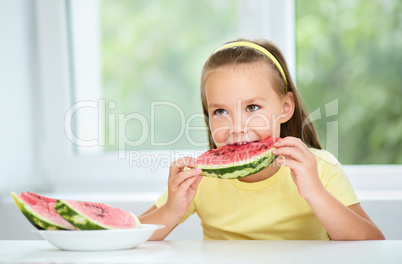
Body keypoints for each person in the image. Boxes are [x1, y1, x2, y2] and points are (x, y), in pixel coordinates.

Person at [139, 39, 385, 240]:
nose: (236, 127)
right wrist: (172, 210)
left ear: (285, 107)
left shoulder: (319, 168)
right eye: (220, 112)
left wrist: (316, 193)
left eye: (252, 107)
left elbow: (373, 243)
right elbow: (132, 234)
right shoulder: (202, 179)